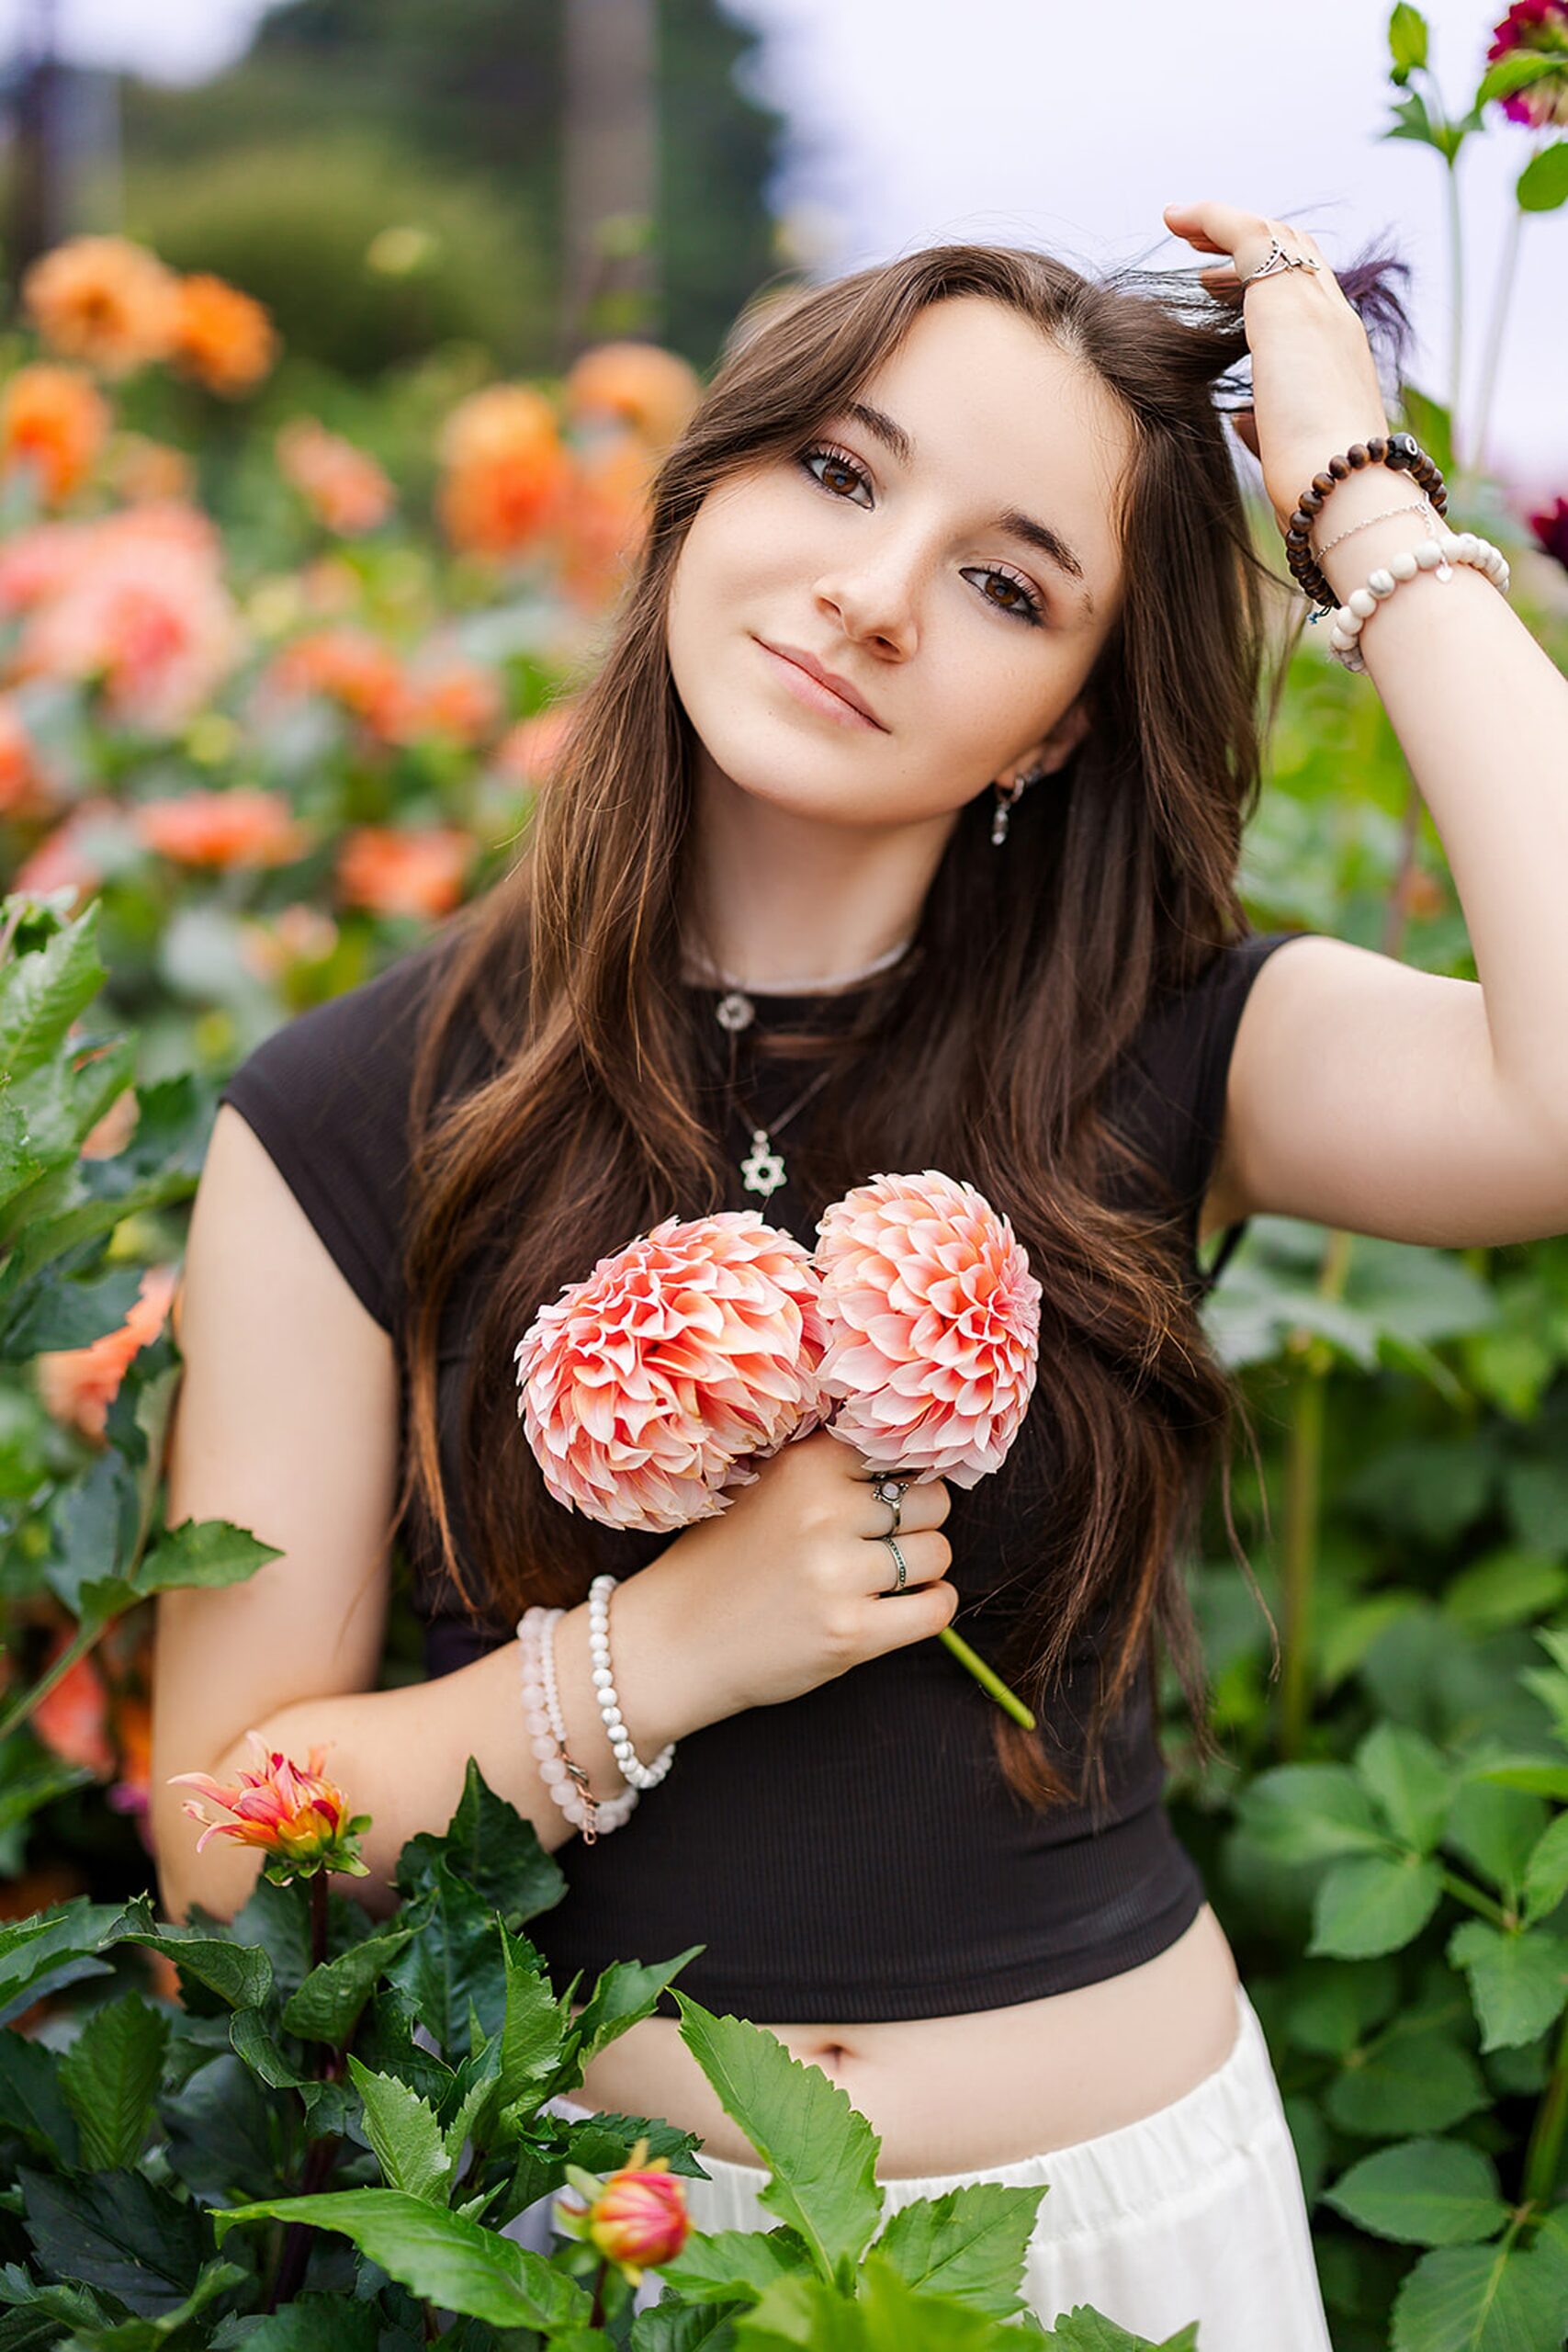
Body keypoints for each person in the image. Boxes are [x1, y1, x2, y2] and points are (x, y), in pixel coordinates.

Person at [152, 207, 1562, 2346]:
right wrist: (656, 1656)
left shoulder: (1172, 1037)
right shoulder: (355, 1104)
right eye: (834, 468)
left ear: (1057, 730)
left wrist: (1360, 503)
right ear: (701, 483)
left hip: (1121, 2236)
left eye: (1006, 584)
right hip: (593, 2264)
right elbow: (219, 1847)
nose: (873, 595)